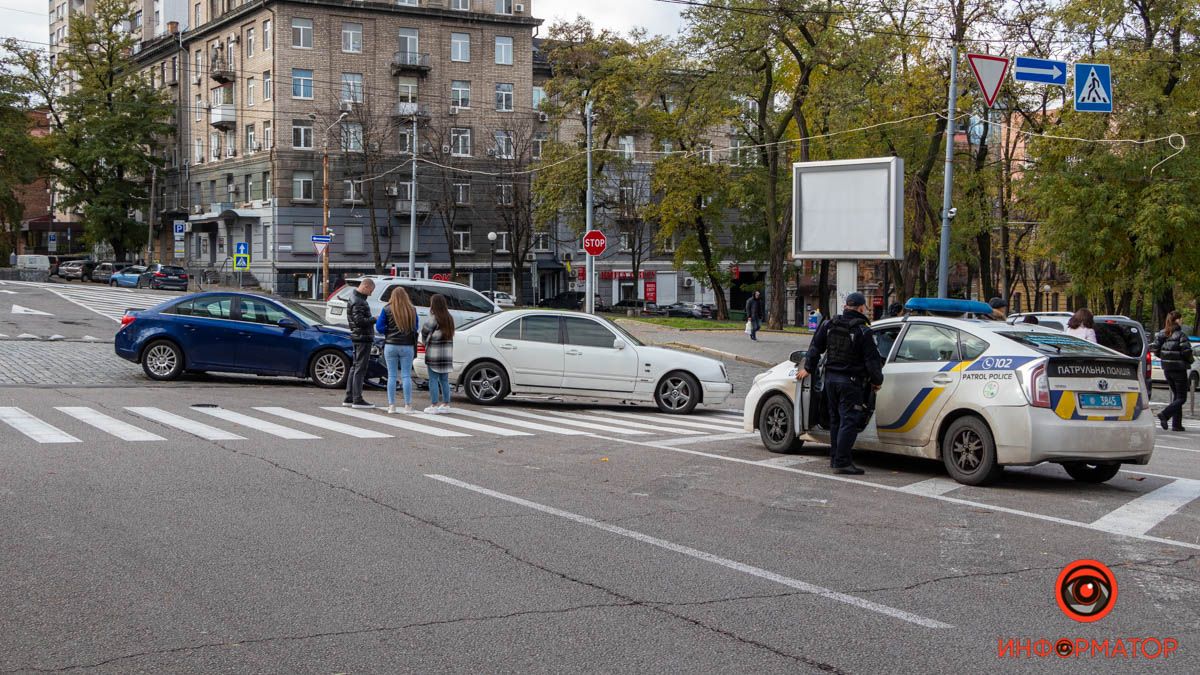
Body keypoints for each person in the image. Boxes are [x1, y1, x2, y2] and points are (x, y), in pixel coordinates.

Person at [795, 292, 884, 475]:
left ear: (846, 306)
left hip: (830, 380)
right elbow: (872, 361)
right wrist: (877, 382)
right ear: (860, 308)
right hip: (850, 383)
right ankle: (842, 461)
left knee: (835, 420)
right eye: (864, 307)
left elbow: (815, 347)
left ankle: (835, 458)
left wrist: (809, 368)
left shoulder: (829, 324)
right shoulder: (863, 330)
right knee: (849, 421)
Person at [376, 286, 419, 414]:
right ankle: (408, 405)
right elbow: (415, 327)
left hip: (391, 344)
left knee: (391, 375)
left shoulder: (387, 309)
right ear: (405, 296)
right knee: (406, 375)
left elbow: (379, 327)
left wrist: (388, 331)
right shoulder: (412, 310)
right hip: (407, 345)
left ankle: (391, 406)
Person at [1154, 310, 1192, 432]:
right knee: (1182, 397)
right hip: (1179, 369)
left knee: (1177, 396)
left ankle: (1177, 424)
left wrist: (1166, 359)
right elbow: (1186, 352)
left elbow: (1156, 349)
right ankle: (1165, 414)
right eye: (1181, 319)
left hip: (1167, 368)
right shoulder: (1181, 335)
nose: (1182, 321)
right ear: (1177, 320)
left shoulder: (1162, 334)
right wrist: (1189, 361)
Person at [343, 279, 376, 409]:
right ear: (366, 286)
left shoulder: (355, 298)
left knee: (355, 366)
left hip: (358, 336)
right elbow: (359, 321)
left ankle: (349, 397)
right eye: (371, 290)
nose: (371, 293)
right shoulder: (359, 301)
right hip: (362, 337)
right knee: (360, 368)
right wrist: (375, 319)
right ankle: (357, 398)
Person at [421, 293, 456, 414]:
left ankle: (434, 404)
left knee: (433, 380)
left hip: (434, 354)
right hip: (446, 354)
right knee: (444, 380)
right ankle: (446, 403)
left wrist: (426, 342)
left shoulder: (434, 319)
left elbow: (424, 333)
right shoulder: (449, 318)